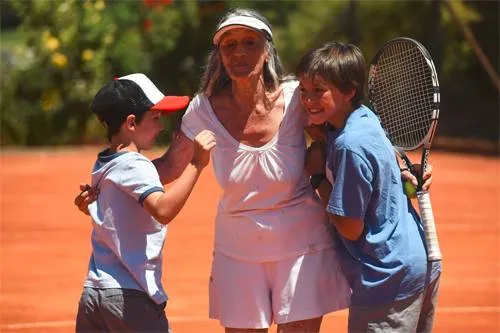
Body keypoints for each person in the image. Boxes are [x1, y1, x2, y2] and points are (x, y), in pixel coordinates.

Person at [297, 42, 442, 333]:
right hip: (417, 264)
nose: (308, 100)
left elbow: (350, 227)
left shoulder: (351, 146)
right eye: (303, 91)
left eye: (319, 91)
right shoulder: (365, 119)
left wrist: (316, 177)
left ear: (349, 90)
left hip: (387, 278)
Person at [75, 73, 216, 333]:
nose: (161, 127)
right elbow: (163, 210)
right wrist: (197, 163)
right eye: (155, 118)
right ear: (131, 123)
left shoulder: (106, 162)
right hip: (130, 297)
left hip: (94, 293)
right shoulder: (135, 163)